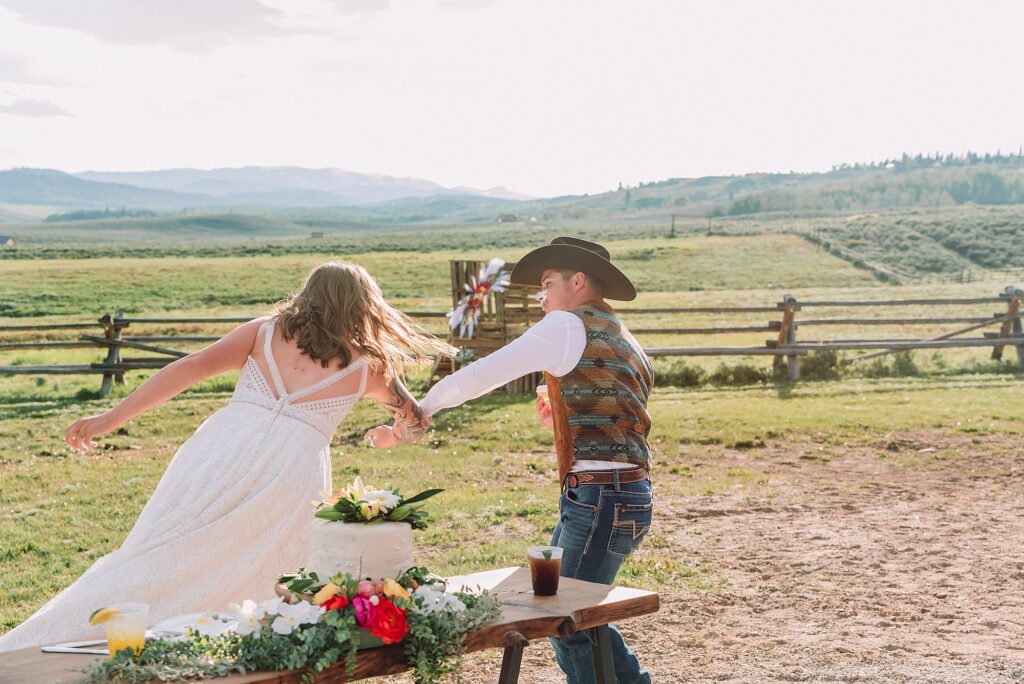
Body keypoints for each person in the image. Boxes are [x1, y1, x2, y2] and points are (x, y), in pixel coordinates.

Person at [0, 261, 450, 652]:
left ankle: (96, 631)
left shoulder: (264, 331)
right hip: (293, 469)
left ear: (308, 294)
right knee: (261, 569)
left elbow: (187, 369)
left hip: (221, 448)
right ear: (363, 304)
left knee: (163, 546)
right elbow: (415, 421)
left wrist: (110, 418)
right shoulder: (369, 365)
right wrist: (392, 435)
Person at [371, 237, 654, 683]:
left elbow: (487, 371)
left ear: (577, 281)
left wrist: (420, 411)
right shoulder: (623, 335)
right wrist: (564, 416)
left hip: (600, 498)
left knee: (568, 621)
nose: (541, 299)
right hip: (623, 494)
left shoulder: (564, 326)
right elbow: (620, 417)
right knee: (572, 612)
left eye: (546, 285)